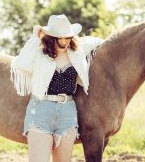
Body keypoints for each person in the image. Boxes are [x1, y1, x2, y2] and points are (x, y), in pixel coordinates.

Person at [10, 14, 104, 162]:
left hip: (67, 112)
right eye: (59, 38)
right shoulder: (39, 54)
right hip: (41, 110)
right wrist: (35, 37)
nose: (64, 42)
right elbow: (21, 64)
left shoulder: (78, 52)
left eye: (67, 38)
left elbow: (100, 42)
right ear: (50, 38)